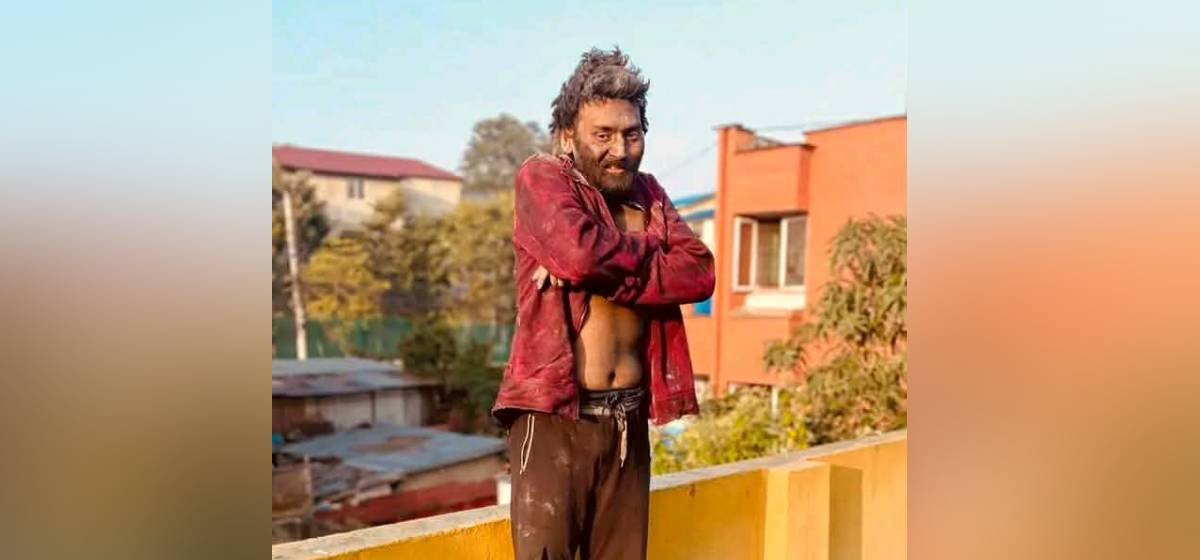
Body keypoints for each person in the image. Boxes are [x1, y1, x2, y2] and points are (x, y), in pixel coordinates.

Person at [491, 47, 715, 560]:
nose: (620, 150)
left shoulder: (648, 193)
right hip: (555, 417)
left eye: (632, 134)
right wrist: (647, 252)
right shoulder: (543, 178)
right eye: (604, 135)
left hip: (629, 421)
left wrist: (596, 268)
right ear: (568, 136)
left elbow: (699, 271)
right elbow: (578, 253)